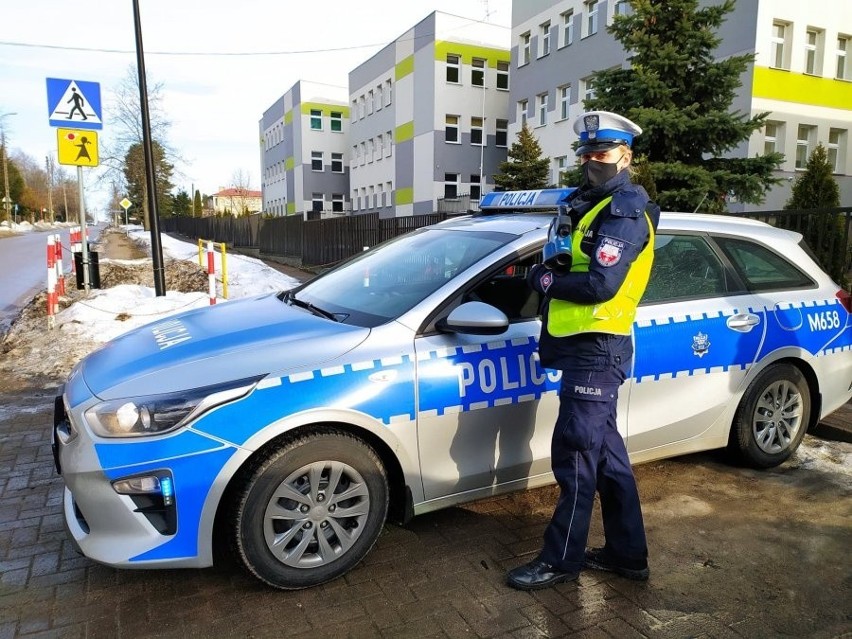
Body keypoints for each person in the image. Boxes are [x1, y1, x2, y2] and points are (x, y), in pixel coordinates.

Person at [506, 111, 660, 591]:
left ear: (626, 156)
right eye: (587, 153)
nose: (593, 160)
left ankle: (561, 561)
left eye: (603, 152)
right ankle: (626, 555)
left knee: (575, 456)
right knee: (607, 458)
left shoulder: (625, 211)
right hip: (583, 347)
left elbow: (599, 283)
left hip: (598, 348)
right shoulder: (587, 205)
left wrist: (544, 279)